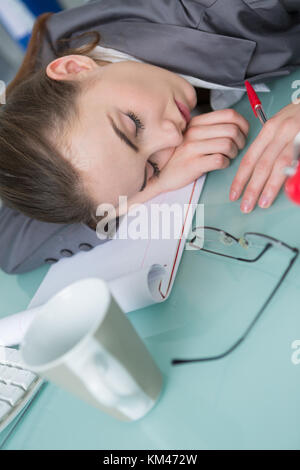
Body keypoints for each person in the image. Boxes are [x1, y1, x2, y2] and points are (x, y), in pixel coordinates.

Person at [0, 0, 300, 274]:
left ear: (74, 68)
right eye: (151, 166)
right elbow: (8, 245)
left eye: (132, 125)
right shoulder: (43, 113)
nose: (172, 138)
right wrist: (146, 191)